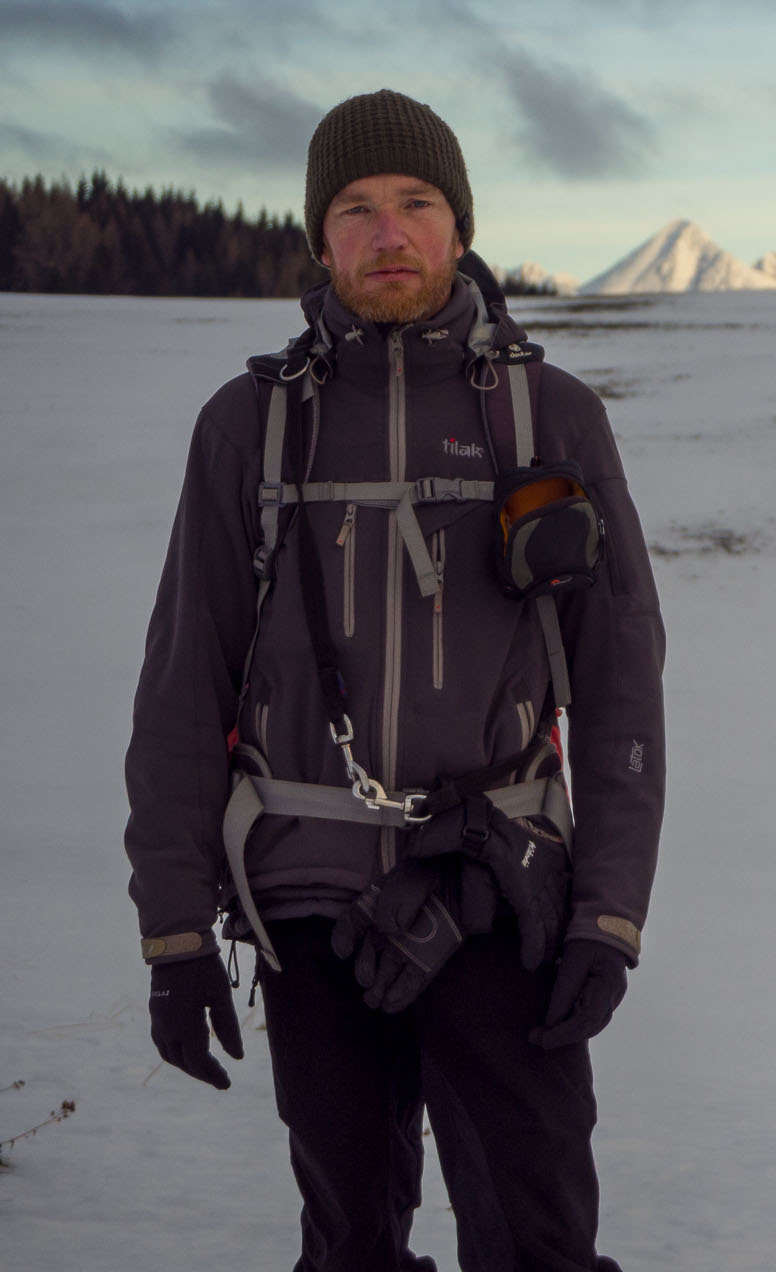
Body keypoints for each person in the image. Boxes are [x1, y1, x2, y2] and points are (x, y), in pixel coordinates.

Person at [124, 89, 665, 1272]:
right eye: (356, 210)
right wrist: (174, 933)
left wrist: (608, 918)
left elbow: (622, 685)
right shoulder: (249, 428)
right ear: (320, 241)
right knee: (350, 1245)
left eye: (416, 204)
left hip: (499, 892)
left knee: (538, 1244)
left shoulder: (548, 416)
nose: (388, 233)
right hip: (307, 905)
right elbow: (181, 687)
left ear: (458, 228)